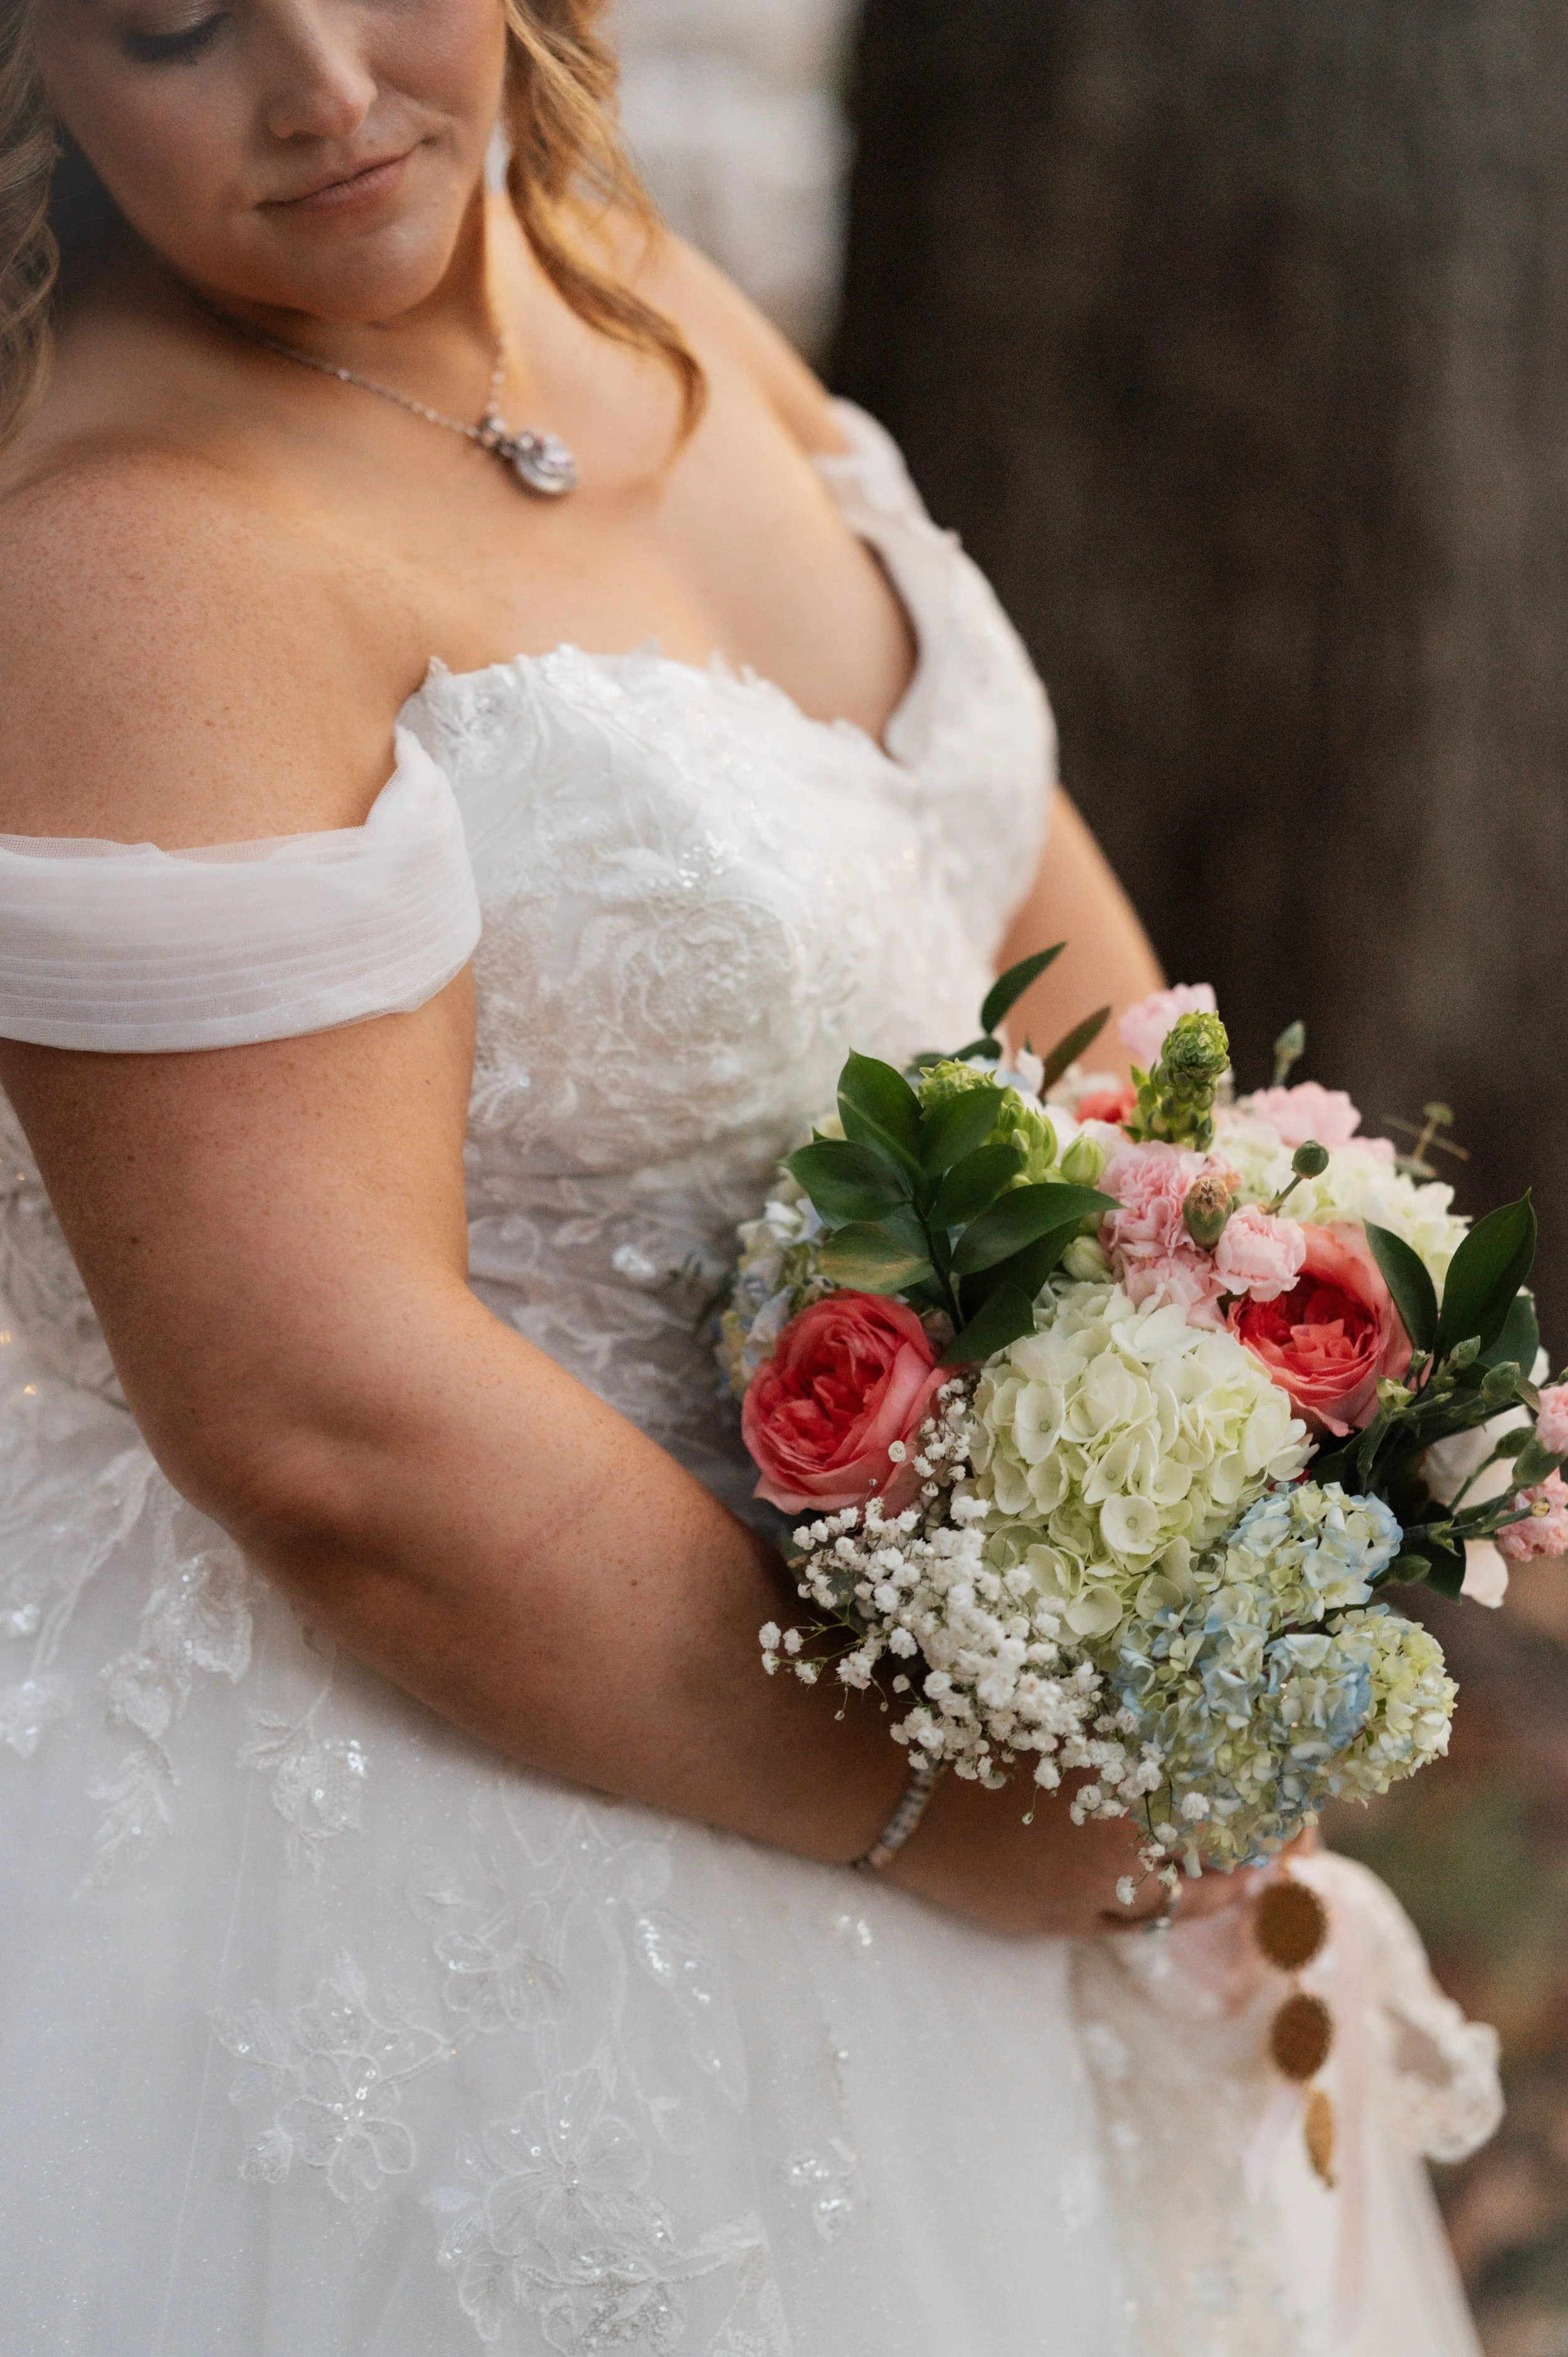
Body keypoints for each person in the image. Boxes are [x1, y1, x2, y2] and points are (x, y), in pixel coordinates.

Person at [0, 1, 1496, 2348]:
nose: (318, 83)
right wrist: (951, 1820)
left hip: (953, 1709)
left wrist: (1247, 1442)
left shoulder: (615, 268)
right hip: (492, 1816)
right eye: (174, 21)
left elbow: (1009, 910)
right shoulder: (125, 563)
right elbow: (326, 1425)